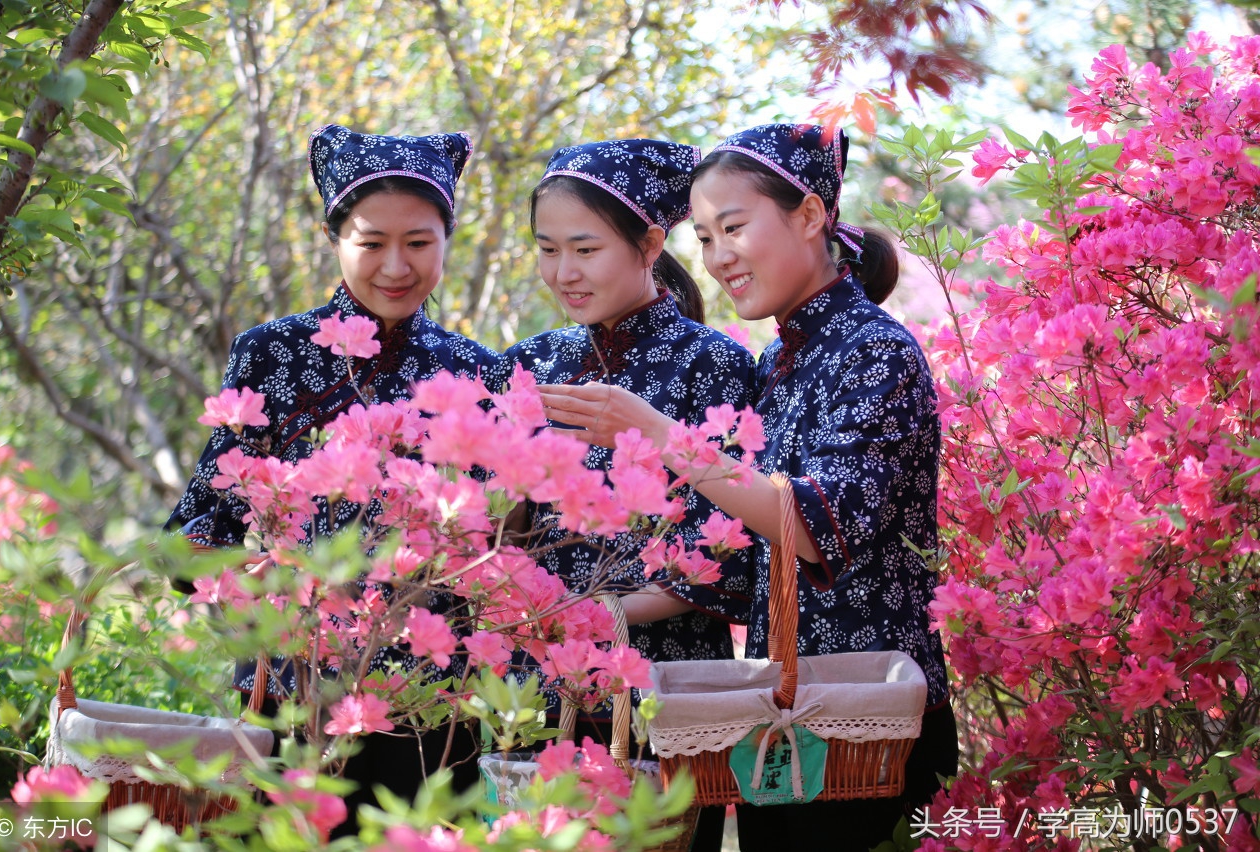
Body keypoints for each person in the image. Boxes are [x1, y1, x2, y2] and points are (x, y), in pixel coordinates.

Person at [538, 123, 958, 851]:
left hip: (868, 711)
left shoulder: (875, 350)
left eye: (733, 227)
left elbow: (816, 526)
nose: (717, 257)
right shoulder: (782, 362)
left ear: (808, 215)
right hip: (786, 707)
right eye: (702, 237)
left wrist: (661, 434)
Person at [166, 124, 499, 833]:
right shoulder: (269, 355)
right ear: (332, 236)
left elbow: (496, 540)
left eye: (419, 242)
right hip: (295, 690)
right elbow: (201, 523)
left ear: (448, 239)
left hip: (431, 705)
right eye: (371, 242)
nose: (396, 266)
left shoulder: (477, 370)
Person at [484, 138, 758, 852]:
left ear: (649, 243)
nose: (562, 273)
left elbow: (722, 550)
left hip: (662, 672)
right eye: (547, 250)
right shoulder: (529, 365)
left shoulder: (715, 365)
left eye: (584, 249)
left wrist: (595, 615)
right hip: (539, 673)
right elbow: (504, 533)